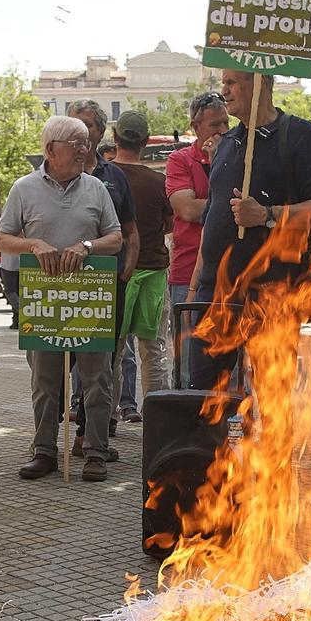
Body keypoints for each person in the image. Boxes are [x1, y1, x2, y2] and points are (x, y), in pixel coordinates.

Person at [188, 68, 311, 392]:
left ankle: (274, 446)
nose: (224, 90)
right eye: (223, 83)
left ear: (258, 83)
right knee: (202, 398)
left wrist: (266, 215)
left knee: (272, 398)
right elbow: (212, 220)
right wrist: (196, 285)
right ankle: (209, 446)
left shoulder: (300, 136)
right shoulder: (227, 143)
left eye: (231, 82)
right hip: (215, 295)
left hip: (272, 294)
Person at [0, 116, 126, 482]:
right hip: (44, 300)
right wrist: (34, 244)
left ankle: (95, 452)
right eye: (76, 143)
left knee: (97, 378)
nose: (86, 149)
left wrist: (87, 246)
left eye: (87, 142)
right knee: (44, 380)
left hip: (89, 298)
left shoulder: (97, 189)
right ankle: (44, 452)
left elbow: (115, 238)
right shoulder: (23, 188)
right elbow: (4, 239)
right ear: (51, 150)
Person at [63, 101, 138, 441]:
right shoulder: (47, 176)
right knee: (58, 361)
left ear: (100, 132)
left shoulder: (114, 176)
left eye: (87, 126)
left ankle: (93, 435)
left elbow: (129, 230)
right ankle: (48, 442)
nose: (80, 133)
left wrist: (126, 269)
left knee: (103, 361)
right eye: (73, 125)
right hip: (58, 288)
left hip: (105, 285)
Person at [111, 108, 173, 415]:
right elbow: (170, 225)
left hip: (116, 275)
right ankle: (158, 423)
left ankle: (104, 423)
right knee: (154, 351)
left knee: (113, 351)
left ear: (114, 138)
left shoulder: (103, 178)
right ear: (146, 142)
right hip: (153, 272)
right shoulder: (158, 181)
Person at [165, 92, 228, 375]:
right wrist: (229, 208)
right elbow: (186, 209)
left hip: (229, 274)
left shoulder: (238, 157)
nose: (223, 130)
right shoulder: (180, 160)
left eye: (226, 123)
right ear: (196, 127)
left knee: (230, 362)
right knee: (191, 363)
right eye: (215, 125)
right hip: (187, 271)